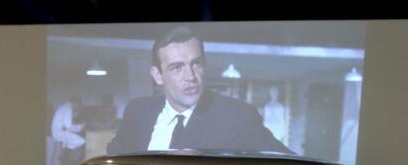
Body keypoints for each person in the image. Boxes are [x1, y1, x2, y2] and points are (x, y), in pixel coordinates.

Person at [108, 26, 290, 155]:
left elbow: (288, 164)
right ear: (157, 75)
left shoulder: (236, 116)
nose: (191, 77)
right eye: (177, 67)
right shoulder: (138, 111)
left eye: (196, 64)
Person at [50, 97, 86, 165]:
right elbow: (68, 126)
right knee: (82, 141)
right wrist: (81, 126)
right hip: (60, 134)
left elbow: (66, 126)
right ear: (76, 103)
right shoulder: (68, 109)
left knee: (70, 144)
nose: (78, 107)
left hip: (58, 132)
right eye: (78, 105)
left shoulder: (63, 107)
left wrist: (77, 127)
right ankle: (70, 161)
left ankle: (64, 159)